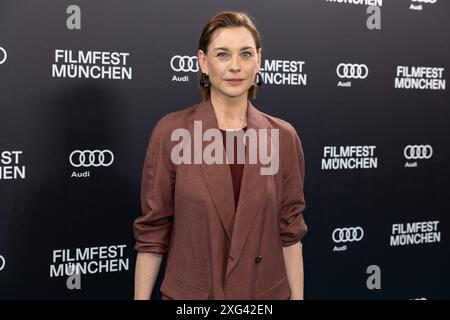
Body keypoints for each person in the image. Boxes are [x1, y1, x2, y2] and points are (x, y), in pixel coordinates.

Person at [133, 11, 308, 300]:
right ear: (203, 62)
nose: (235, 66)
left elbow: (290, 232)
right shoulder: (172, 132)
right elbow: (152, 233)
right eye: (223, 54)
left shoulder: (282, 137)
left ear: (259, 60)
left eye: (245, 54)